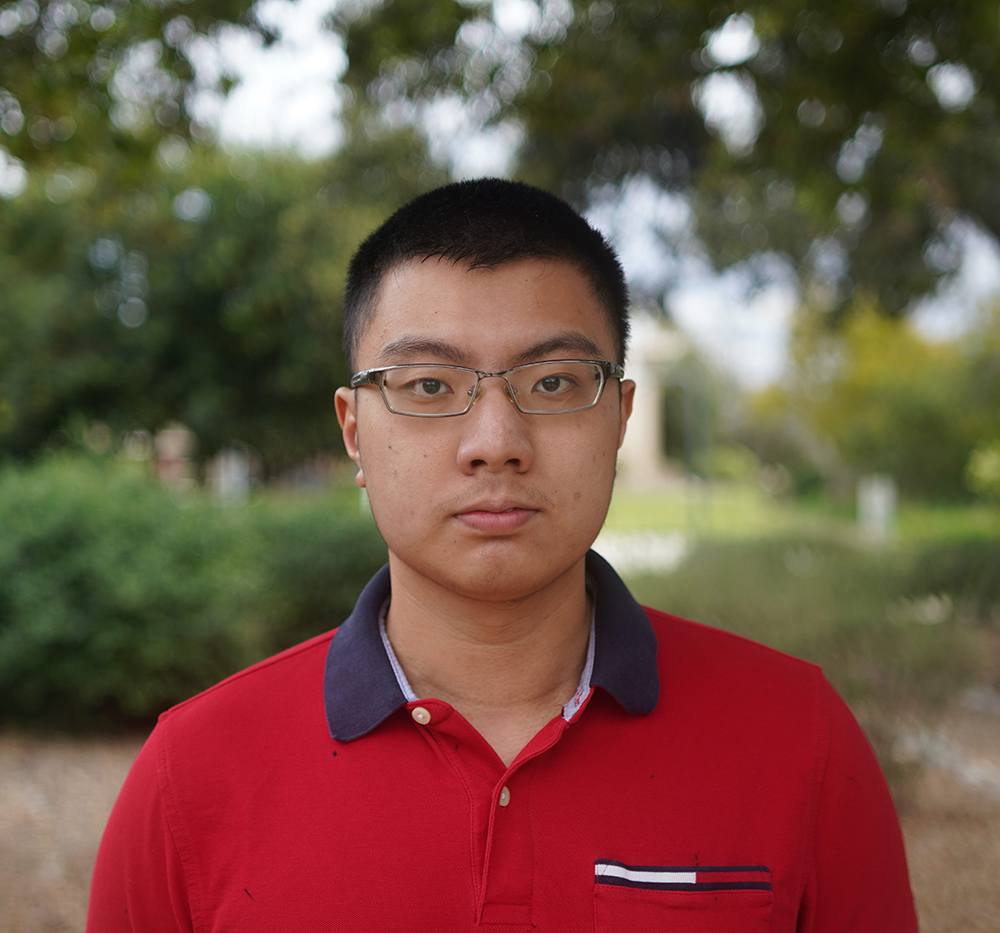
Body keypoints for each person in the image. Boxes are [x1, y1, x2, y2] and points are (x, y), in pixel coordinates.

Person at [87, 178, 917, 932]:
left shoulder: (799, 737)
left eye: (553, 382)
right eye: (427, 386)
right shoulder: (192, 773)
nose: (495, 444)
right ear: (353, 430)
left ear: (620, 419)